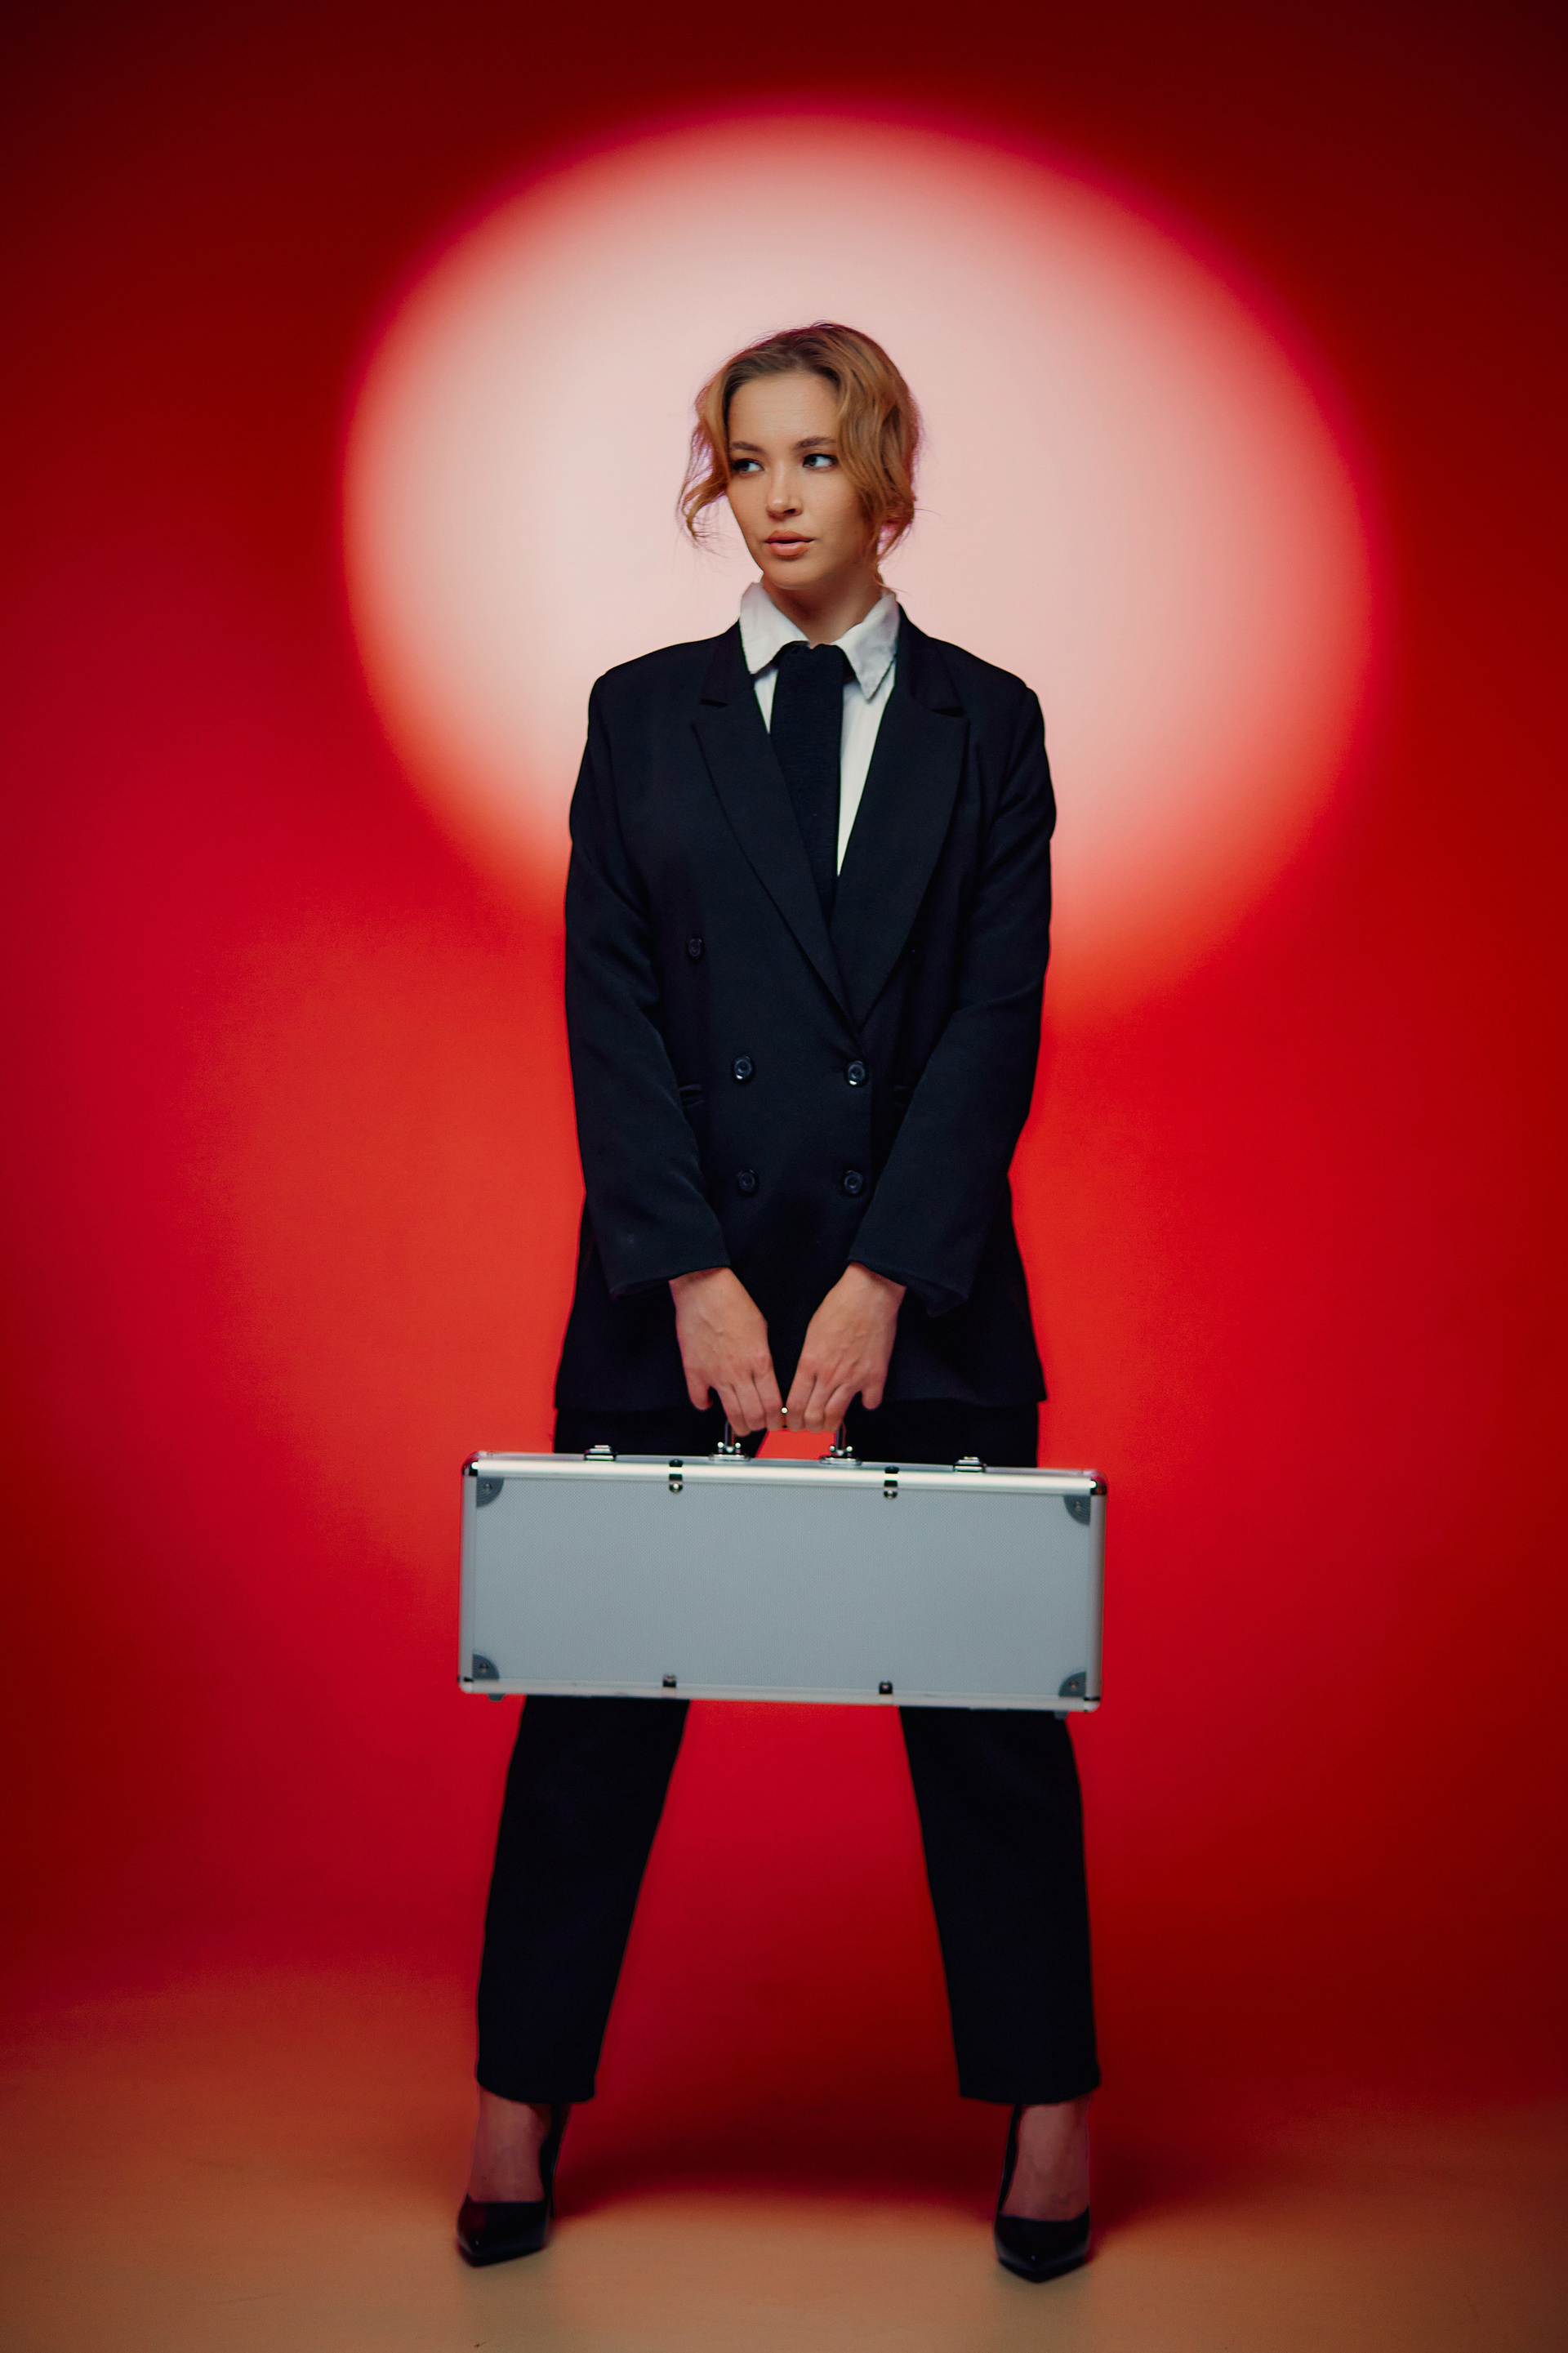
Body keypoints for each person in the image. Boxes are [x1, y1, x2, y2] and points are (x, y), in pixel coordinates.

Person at [457, 323, 1098, 2284]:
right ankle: (515, 2101)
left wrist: (888, 1273)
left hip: (930, 1275)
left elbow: (993, 1020)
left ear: (886, 472)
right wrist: (691, 1273)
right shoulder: (639, 713)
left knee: (991, 1704)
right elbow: (609, 1004)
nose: (783, 494)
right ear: (716, 483)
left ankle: (1051, 2108)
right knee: (590, 1697)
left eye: (819, 455)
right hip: (677, 1274)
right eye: (749, 461)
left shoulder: (990, 721)